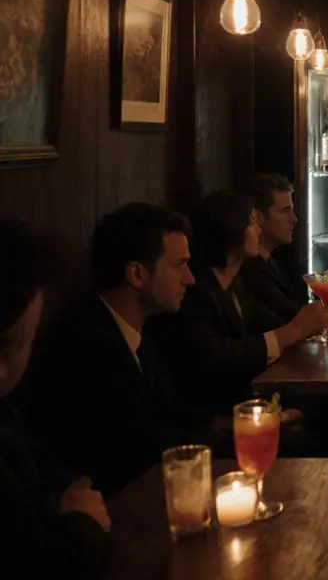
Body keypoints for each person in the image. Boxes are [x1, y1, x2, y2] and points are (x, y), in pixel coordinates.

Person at [18, 203, 216, 497]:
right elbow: (141, 448)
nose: (190, 278)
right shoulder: (87, 344)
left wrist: (252, 423)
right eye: (178, 265)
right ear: (136, 274)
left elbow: (175, 411)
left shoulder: (134, 329)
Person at [0, 217, 110, 578]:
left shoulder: (8, 413)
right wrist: (80, 519)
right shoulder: (92, 343)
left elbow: (41, 468)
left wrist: (65, 493)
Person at [157, 191, 328, 414]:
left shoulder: (235, 282)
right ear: (231, 233)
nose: (258, 230)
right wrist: (295, 329)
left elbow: (271, 323)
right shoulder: (196, 292)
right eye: (251, 223)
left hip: (251, 402)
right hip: (221, 414)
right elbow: (215, 357)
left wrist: (305, 324)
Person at [241, 174, 310, 323]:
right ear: (257, 217)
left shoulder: (276, 260)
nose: (294, 219)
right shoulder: (250, 272)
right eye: (285, 211)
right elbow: (292, 320)